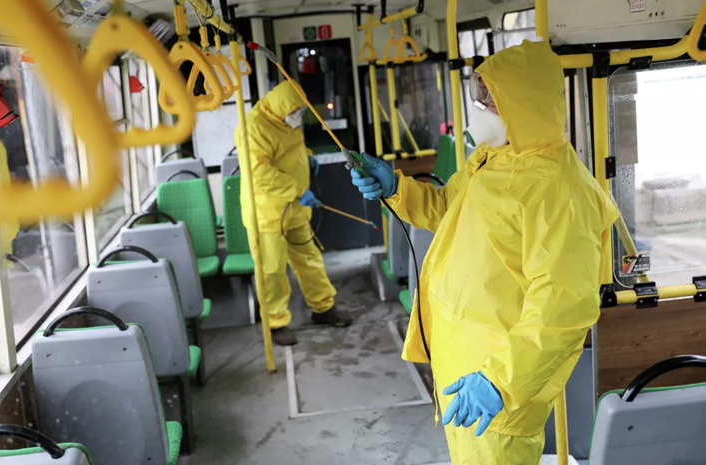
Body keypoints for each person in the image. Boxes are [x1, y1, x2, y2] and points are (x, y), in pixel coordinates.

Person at [350, 41, 619, 464]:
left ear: (522, 105)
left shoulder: (560, 191)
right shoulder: (490, 159)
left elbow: (562, 307)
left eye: (488, 98)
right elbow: (449, 210)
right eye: (478, 94)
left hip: (496, 383)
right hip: (461, 363)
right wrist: (398, 189)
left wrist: (499, 381)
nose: (477, 107)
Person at [235, 80, 351, 346]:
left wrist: (306, 159)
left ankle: (323, 307)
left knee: (309, 259)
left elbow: (289, 151)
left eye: (301, 110)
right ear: (281, 107)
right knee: (272, 270)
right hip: (267, 213)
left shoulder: (286, 119)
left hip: (295, 209)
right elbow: (259, 174)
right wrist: (298, 190)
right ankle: (275, 322)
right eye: (295, 111)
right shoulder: (252, 128)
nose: (299, 116)